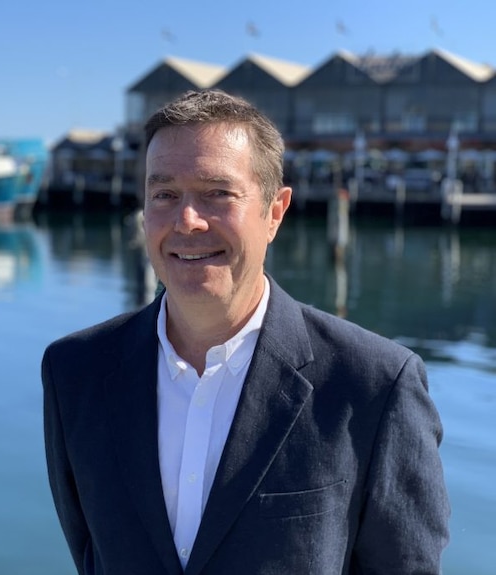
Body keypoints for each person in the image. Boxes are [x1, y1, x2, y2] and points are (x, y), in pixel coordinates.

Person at [41, 89, 450, 575]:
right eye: (164, 195)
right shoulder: (75, 373)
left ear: (274, 212)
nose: (187, 221)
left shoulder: (375, 386)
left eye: (217, 193)